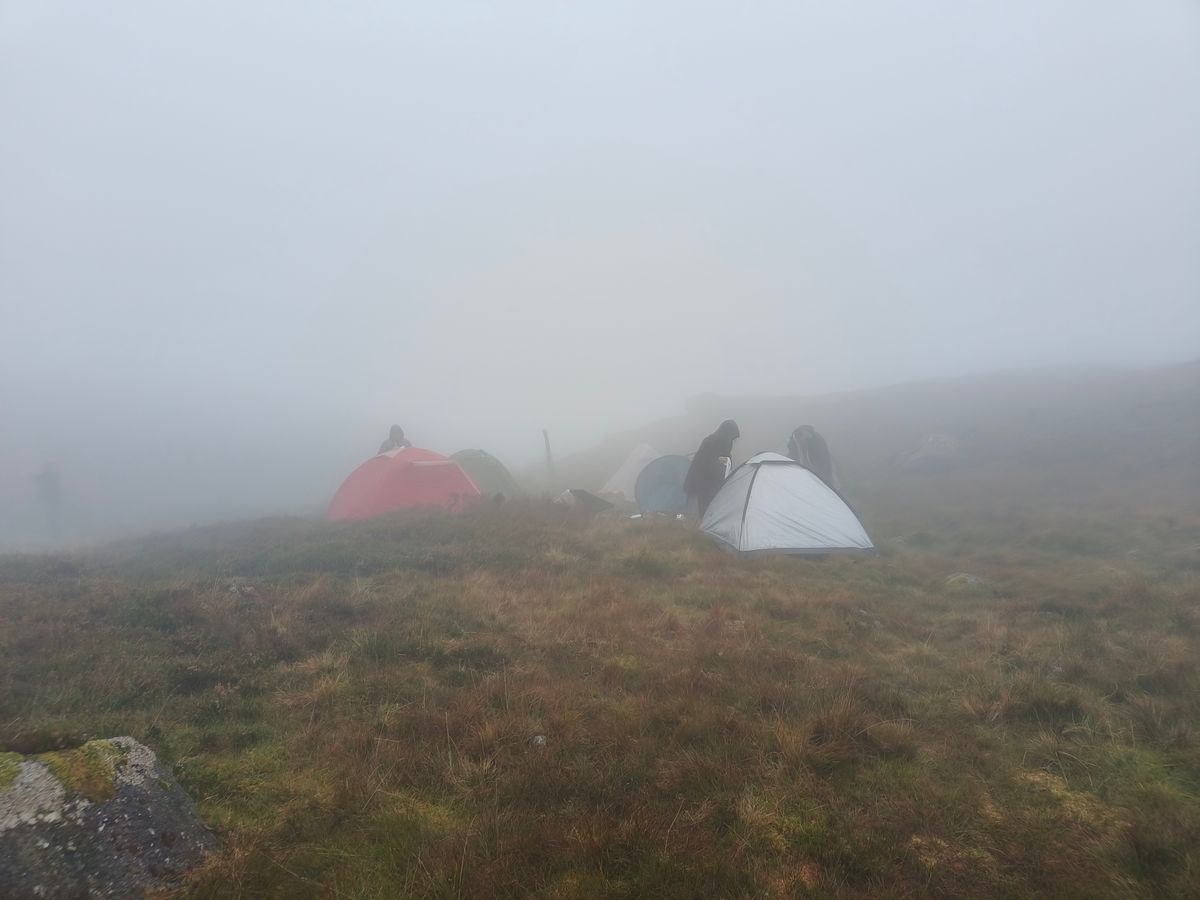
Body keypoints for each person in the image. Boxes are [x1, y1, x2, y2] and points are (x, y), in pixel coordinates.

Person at [684, 419, 739, 518]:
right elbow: (702, 461)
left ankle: (709, 524)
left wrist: (727, 462)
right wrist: (717, 459)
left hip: (716, 478)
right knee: (704, 502)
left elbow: (727, 457)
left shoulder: (727, 442)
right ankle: (703, 525)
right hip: (703, 478)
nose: (732, 440)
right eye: (732, 436)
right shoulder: (710, 441)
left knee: (713, 502)